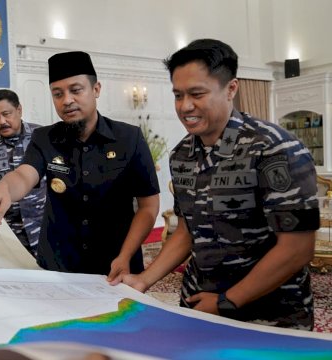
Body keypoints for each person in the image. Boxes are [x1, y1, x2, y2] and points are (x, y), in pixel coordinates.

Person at [113, 39, 320, 330]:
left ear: (231, 89)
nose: (185, 106)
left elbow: (297, 248)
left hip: (269, 315)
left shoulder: (274, 148)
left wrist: (227, 301)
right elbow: (187, 230)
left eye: (197, 94)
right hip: (199, 305)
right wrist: (143, 279)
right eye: (178, 95)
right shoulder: (182, 154)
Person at [0, 51, 160, 277]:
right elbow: (24, 176)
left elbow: (148, 206)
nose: (67, 100)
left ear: (96, 89)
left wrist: (125, 255)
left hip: (116, 264)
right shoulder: (44, 138)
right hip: (57, 265)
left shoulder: (129, 138)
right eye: (57, 94)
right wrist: (5, 186)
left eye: (76, 90)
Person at [0, 89, 47, 256]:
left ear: (19, 110)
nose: (1, 121)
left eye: (6, 114)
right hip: (6, 231)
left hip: (45, 227)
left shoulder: (41, 137)